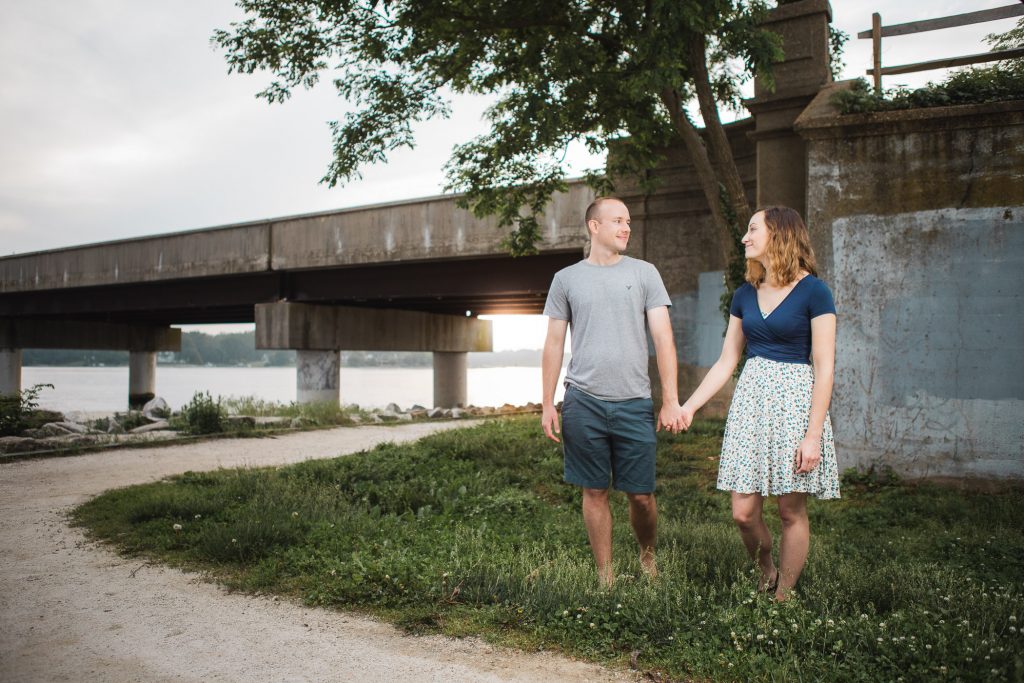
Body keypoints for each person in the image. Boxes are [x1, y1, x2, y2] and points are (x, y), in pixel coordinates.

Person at [679, 205, 839, 601]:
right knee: (743, 513)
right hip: (751, 404)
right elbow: (726, 361)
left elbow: (825, 367)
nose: (745, 237)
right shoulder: (744, 295)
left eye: (753, 230)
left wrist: (813, 435)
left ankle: (783, 596)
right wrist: (689, 406)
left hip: (795, 407)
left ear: (780, 234)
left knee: (790, 511)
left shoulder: (815, 292)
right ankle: (766, 569)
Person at [541, 196, 686, 587]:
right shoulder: (566, 279)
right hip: (582, 399)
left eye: (628, 222)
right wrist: (547, 403)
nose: (626, 228)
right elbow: (554, 343)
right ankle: (606, 576)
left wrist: (670, 399)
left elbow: (663, 337)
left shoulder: (644, 273)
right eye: (618, 221)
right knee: (593, 489)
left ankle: (647, 556)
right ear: (594, 226)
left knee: (641, 495)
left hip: (634, 401)